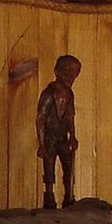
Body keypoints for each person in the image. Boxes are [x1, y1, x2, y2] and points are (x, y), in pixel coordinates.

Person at [36, 54, 81, 209]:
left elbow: (70, 117)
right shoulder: (49, 93)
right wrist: (41, 144)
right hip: (50, 138)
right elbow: (40, 119)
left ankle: (69, 196)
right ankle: (49, 196)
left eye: (74, 72)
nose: (71, 76)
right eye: (67, 71)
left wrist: (73, 136)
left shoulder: (69, 95)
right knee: (49, 169)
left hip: (62, 137)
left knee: (68, 167)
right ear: (57, 71)